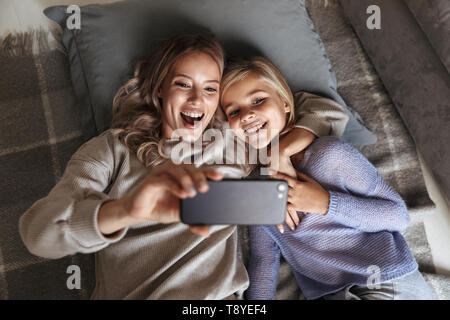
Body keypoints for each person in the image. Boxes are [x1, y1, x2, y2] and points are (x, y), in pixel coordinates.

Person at [19, 34, 348, 300]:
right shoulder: (112, 149)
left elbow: (326, 111)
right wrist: (127, 211)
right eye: (182, 84)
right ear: (159, 88)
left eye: (210, 89)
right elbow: (38, 234)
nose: (196, 100)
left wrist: (280, 152)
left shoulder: (235, 144)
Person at [220, 56, 434, 300]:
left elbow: (398, 216)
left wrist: (324, 203)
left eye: (258, 100)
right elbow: (264, 260)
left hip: (384, 281)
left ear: (285, 103)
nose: (247, 114)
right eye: (234, 111)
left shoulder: (329, 155)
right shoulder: (256, 190)